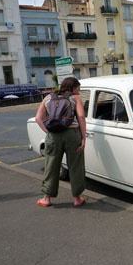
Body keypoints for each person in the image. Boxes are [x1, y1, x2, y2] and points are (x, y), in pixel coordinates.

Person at [35, 77, 87, 207]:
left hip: (53, 135)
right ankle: (77, 198)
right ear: (73, 88)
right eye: (78, 89)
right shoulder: (75, 98)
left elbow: (38, 118)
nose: (78, 92)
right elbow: (81, 116)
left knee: (51, 165)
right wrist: (83, 137)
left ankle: (46, 198)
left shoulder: (48, 97)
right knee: (76, 165)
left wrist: (47, 131)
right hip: (72, 135)